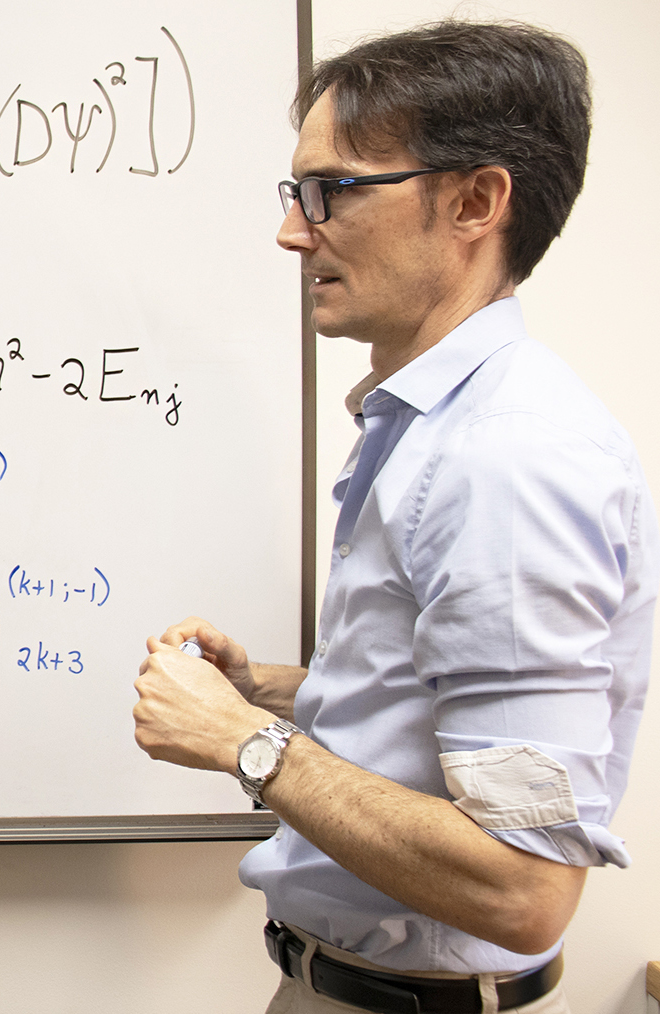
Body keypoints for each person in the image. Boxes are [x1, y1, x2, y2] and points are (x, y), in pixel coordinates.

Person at [131, 21, 653, 1014]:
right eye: (296, 193)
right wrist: (272, 692)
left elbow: (522, 887)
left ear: (474, 202)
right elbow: (441, 705)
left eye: (331, 191)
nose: (293, 232)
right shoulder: (429, 428)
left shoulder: (507, 460)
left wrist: (243, 739)